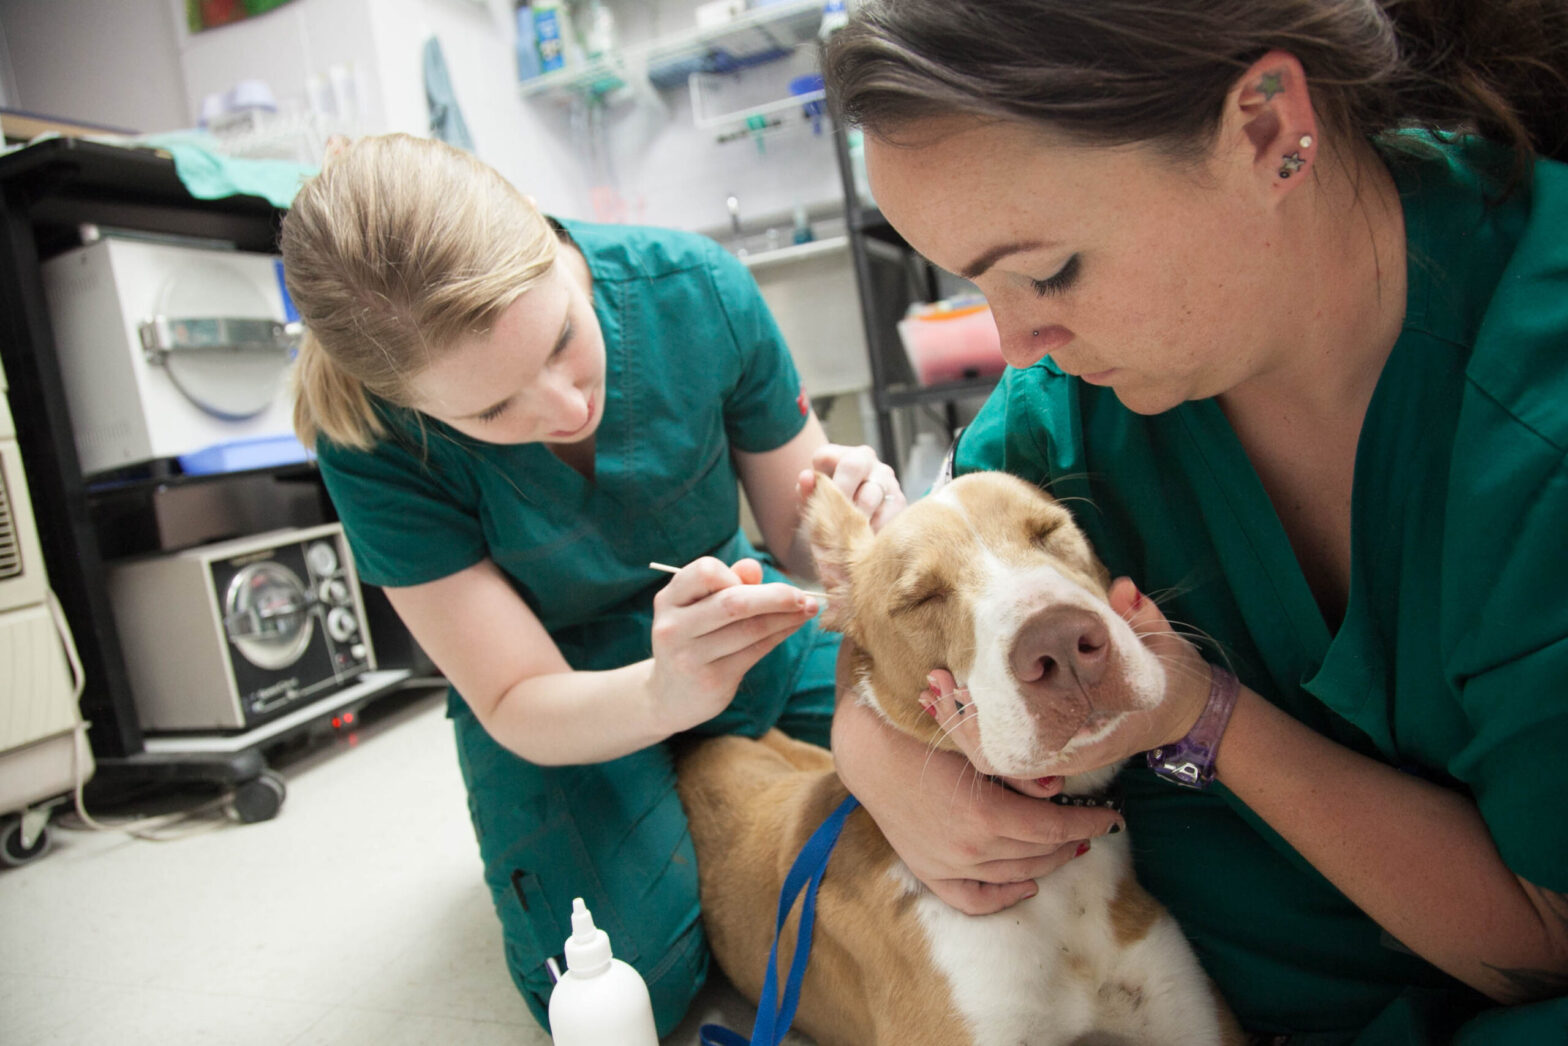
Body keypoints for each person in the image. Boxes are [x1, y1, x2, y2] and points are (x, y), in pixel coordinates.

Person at [820, 0, 1568, 1042]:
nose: (1017, 341)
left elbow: (1541, 940)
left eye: (1045, 271)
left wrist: (1202, 714)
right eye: (975, 285)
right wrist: (876, 756)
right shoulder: (1066, 427)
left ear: (1264, 129)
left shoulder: (1534, 417)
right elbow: (895, 631)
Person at [277, 133, 904, 1037]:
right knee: (623, 981)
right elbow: (513, 692)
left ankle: (701, 775)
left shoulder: (696, 290)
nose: (568, 408)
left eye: (565, 337)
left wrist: (857, 512)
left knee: (967, 741)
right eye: (492, 411)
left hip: (742, 623)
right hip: (561, 699)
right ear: (410, 408)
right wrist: (663, 694)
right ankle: (685, 782)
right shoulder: (369, 439)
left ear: (545, 236)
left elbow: (803, 550)